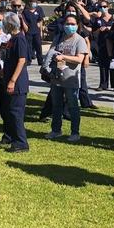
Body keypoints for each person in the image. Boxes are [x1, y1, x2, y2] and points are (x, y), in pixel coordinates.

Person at [45, 14, 89, 142]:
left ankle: (75, 132)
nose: (70, 26)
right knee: (56, 105)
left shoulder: (79, 40)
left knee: (73, 106)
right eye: (67, 24)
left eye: (72, 24)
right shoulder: (59, 38)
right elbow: (51, 52)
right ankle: (56, 130)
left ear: (77, 25)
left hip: (71, 79)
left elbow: (79, 59)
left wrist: (64, 57)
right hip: (57, 77)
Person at [0, 12, 29, 153]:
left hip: (18, 83)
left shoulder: (20, 39)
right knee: (9, 111)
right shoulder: (12, 39)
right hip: (8, 79)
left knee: (16, 112)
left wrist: (12, 81)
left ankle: (21, 143)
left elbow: (21, 60)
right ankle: (10, 137)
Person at [92, 1, 114, 91]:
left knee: (113, 65)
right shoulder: (98, 20)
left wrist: (109, 28)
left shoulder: (113, 18)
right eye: (101, 7)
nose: (103, 8)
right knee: (102, 65)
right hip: (102, 44)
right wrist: (99, 30)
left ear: (108, 7)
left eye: (105, 6)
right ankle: (103, 84)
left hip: (112, 45)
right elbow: (93, 32)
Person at [23, 0, 45, 66]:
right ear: (29, 3)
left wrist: (41, 31)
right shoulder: (26, 11)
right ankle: (28, 60)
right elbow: (23, 20)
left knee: (38, 46)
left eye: (35, 2)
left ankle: (40, 61)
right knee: (28, 47)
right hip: (29, 32)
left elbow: (40, 20)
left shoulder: (38, 10)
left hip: (37, 31)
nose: (34, 4)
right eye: (32, 2)